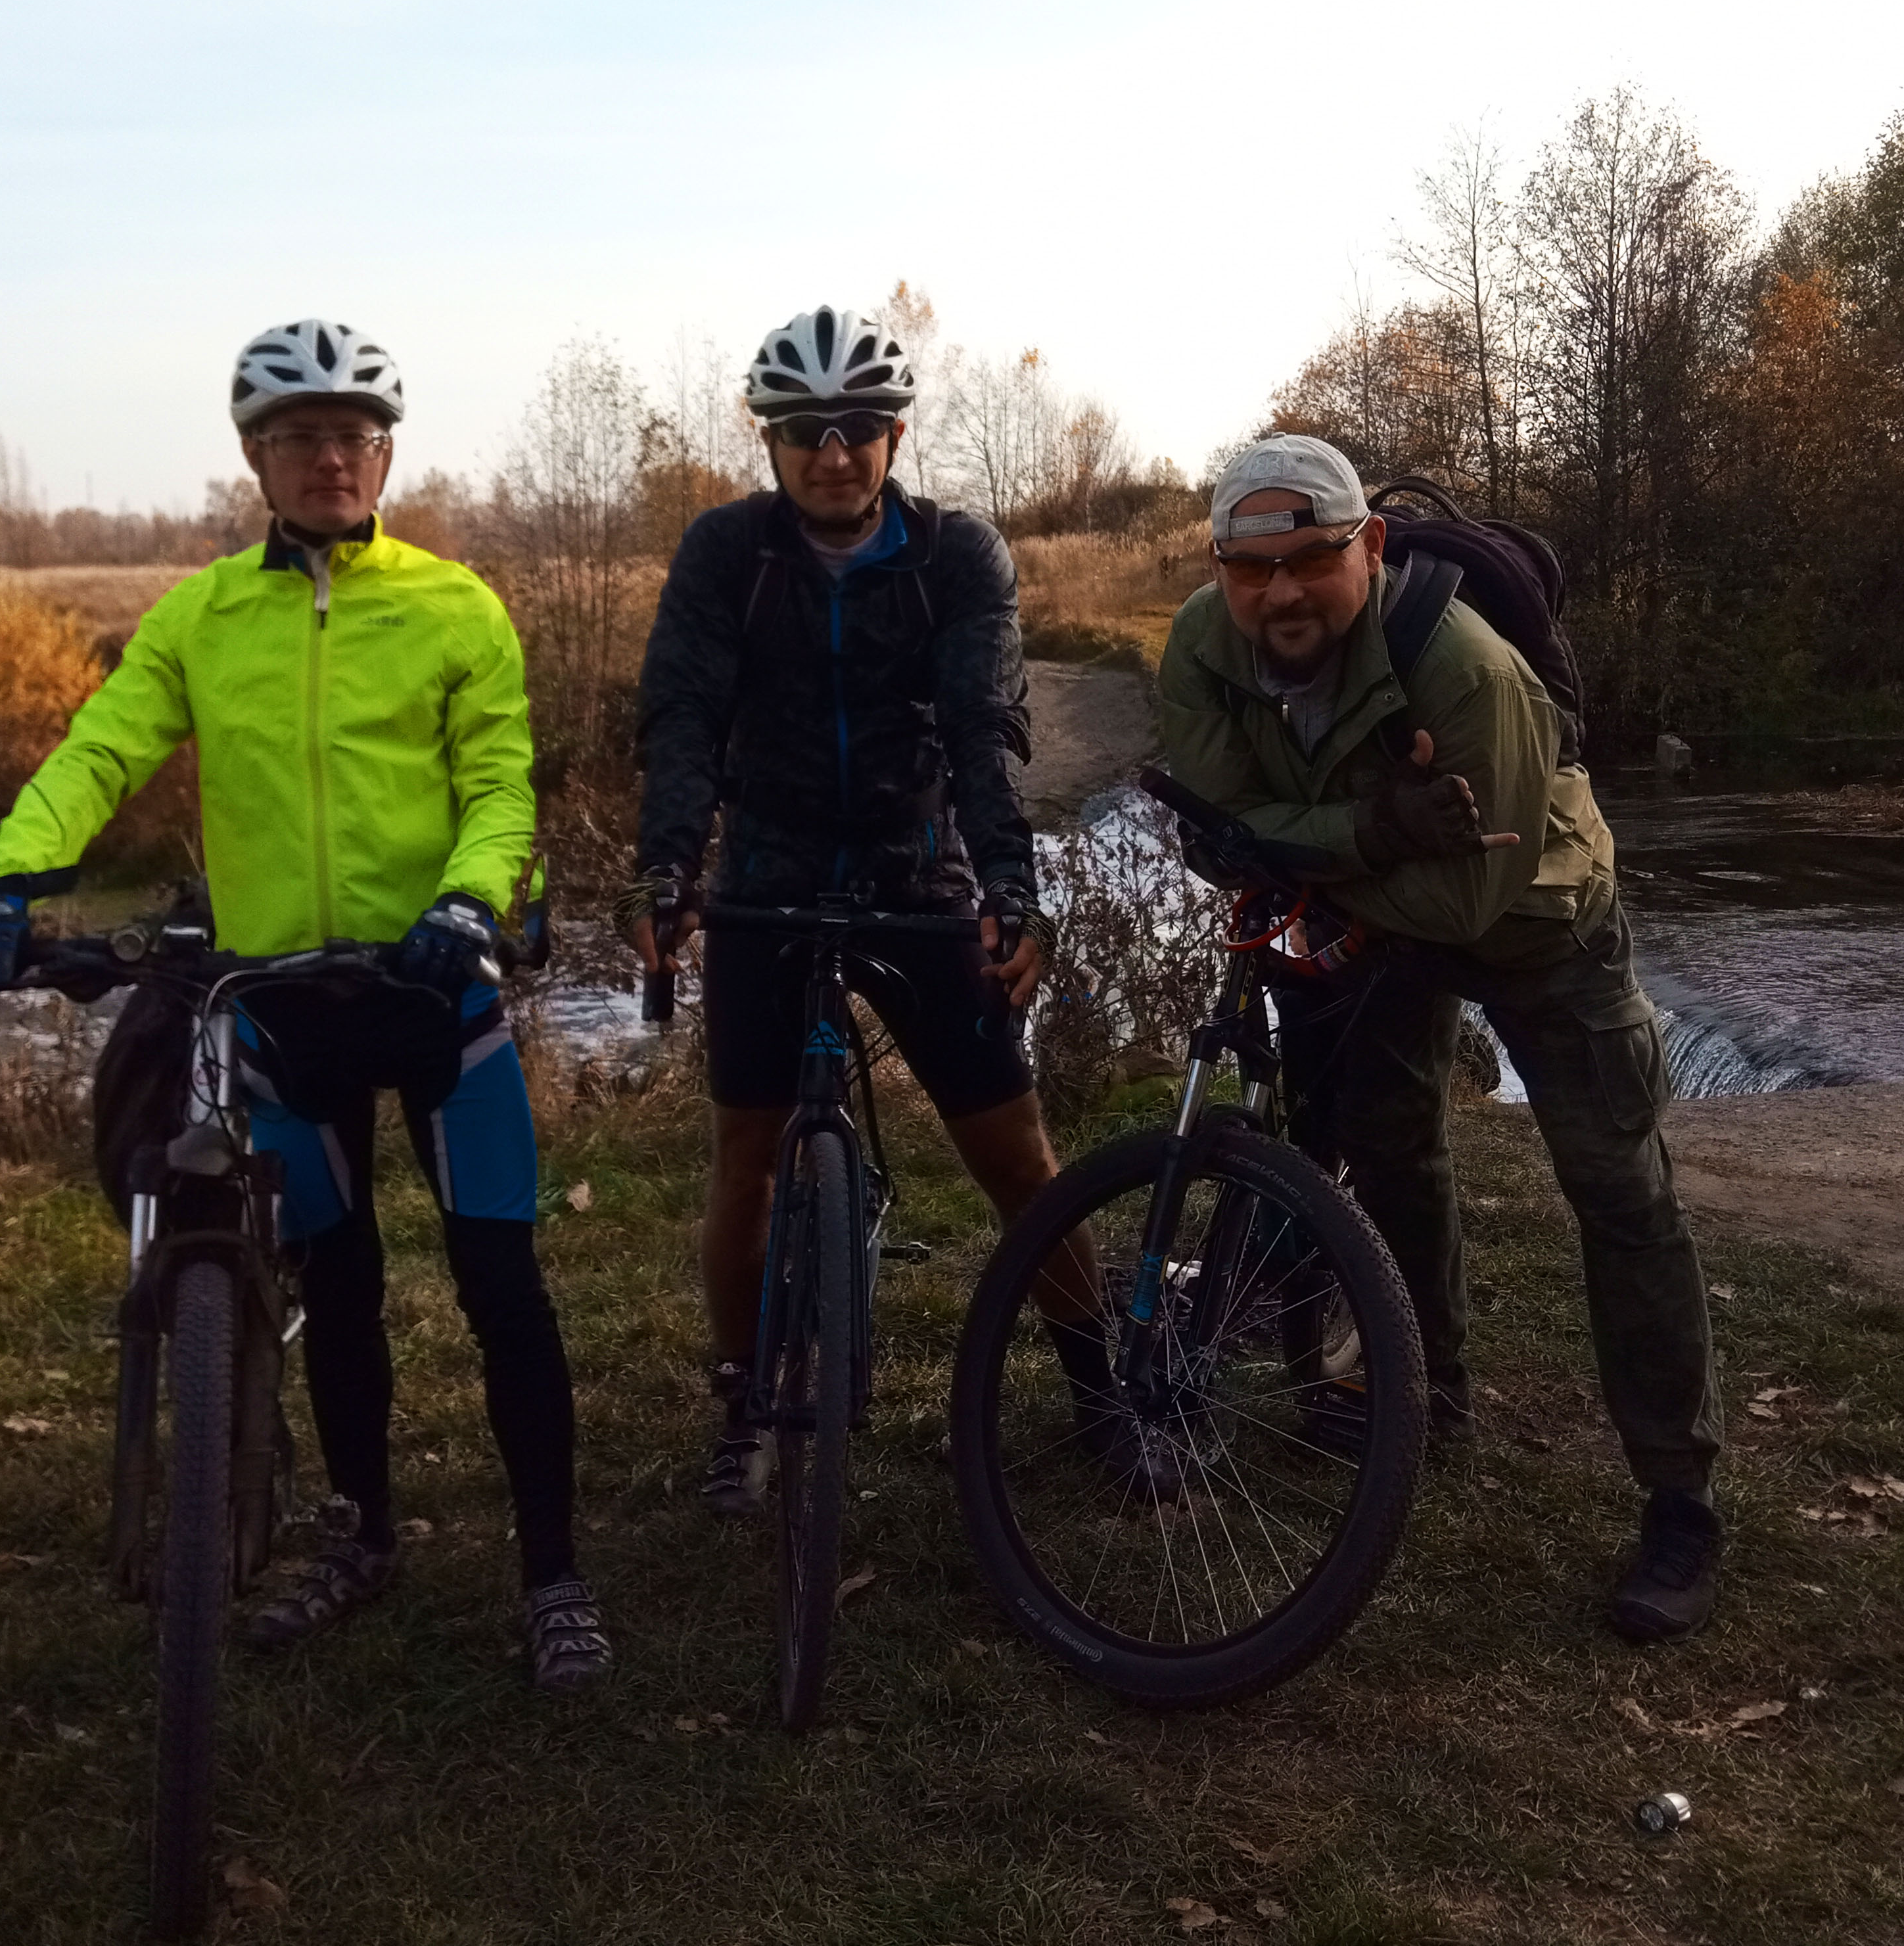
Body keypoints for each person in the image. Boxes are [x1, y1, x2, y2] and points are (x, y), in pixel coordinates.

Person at [0, 319, 609, 1693]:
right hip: (284, 1006)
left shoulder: (454, 607)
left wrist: (469, 903)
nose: (329, 458)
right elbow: (101, 752)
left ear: (387, 455)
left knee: (502, 1288)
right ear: (256, 457)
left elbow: (500, 785)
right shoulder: (201, 618)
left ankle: (554, 1574)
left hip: (435, 989)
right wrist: (5, 879)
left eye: (353, 435)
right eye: (299, 437)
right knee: (339, 1291)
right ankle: (365, 1533)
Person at [1153, 433, 1725, 1642]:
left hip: (1539, 924)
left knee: (1621, 1192)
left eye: (1311, 559)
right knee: (1390, 1153)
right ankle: (1426, 1396)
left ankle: (1681, 1500)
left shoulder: (1466, 670)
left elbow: (1467, 899)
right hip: (1374, 913)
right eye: (1252, 569)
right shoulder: (1204, 645)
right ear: (1218, 570)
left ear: (1367, 547)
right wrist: (1373, 829)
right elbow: (1216, 825)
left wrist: (1307, 852)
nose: (1281, 592)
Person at [626, 302, 1141, 1515]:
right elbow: (684, 717)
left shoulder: (958, 558)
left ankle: (1102, 1391)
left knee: (1015, 1155)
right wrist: (668, 870)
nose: (833, 451)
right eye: (804, 429)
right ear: (768, 439)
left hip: (916, 871)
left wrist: (1011, 888)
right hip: (768, 872)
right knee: (746, 1160)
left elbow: (980, 732)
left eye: (857, 426)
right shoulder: (726, 553)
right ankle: (745, 1405)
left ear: (895, 436)